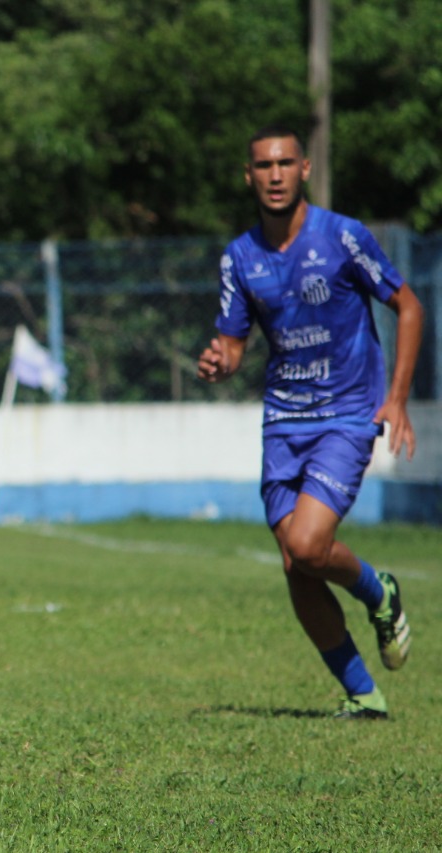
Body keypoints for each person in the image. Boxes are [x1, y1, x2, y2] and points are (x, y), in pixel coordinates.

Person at [197, 124, 424, 719]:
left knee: (307, 542)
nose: (274, 174)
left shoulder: (343, 237)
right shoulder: (240, 257)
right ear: (249, 176)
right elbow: (234, 342)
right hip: (283, 424)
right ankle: (362, 693)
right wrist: (220, 360)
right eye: (263, 165)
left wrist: (395, 398)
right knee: (297, 566)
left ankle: (379, 591)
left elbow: (408, 306)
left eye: (285, 163)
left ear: (305, 170)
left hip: (347, 415)